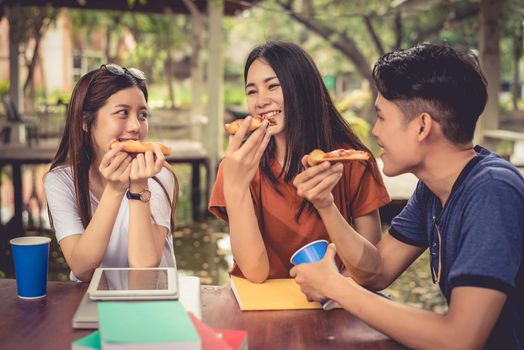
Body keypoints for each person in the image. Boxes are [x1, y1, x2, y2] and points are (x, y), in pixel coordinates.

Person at [291, 43, 524, 349]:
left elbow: (459, 339)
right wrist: (325, 204)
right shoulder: (433, 189)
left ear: (422, 126)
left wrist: (337, 288)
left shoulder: (492, 190)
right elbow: (376, 272)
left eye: (382, 117)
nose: (375, 131)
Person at [209, 41, 390, 283]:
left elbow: (371, 272)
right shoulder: (237, 167)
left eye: (272, 86)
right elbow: (255, 272)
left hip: (335, 307)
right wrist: (235, 187)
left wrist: (335, 294)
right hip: (261, 306)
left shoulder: (351, 161)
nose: (260, 101)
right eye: (252, 91)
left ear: (302, 88)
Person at [44, 64, 178, 282]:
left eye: (142, 115)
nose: (136, 126)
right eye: (122, 113)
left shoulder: (159, 176)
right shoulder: (60, 182)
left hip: (151, 305)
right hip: (92, 306)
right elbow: (81, 268)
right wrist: (115, 190)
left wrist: (138, 185)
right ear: (85, 122)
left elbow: (144, 267)